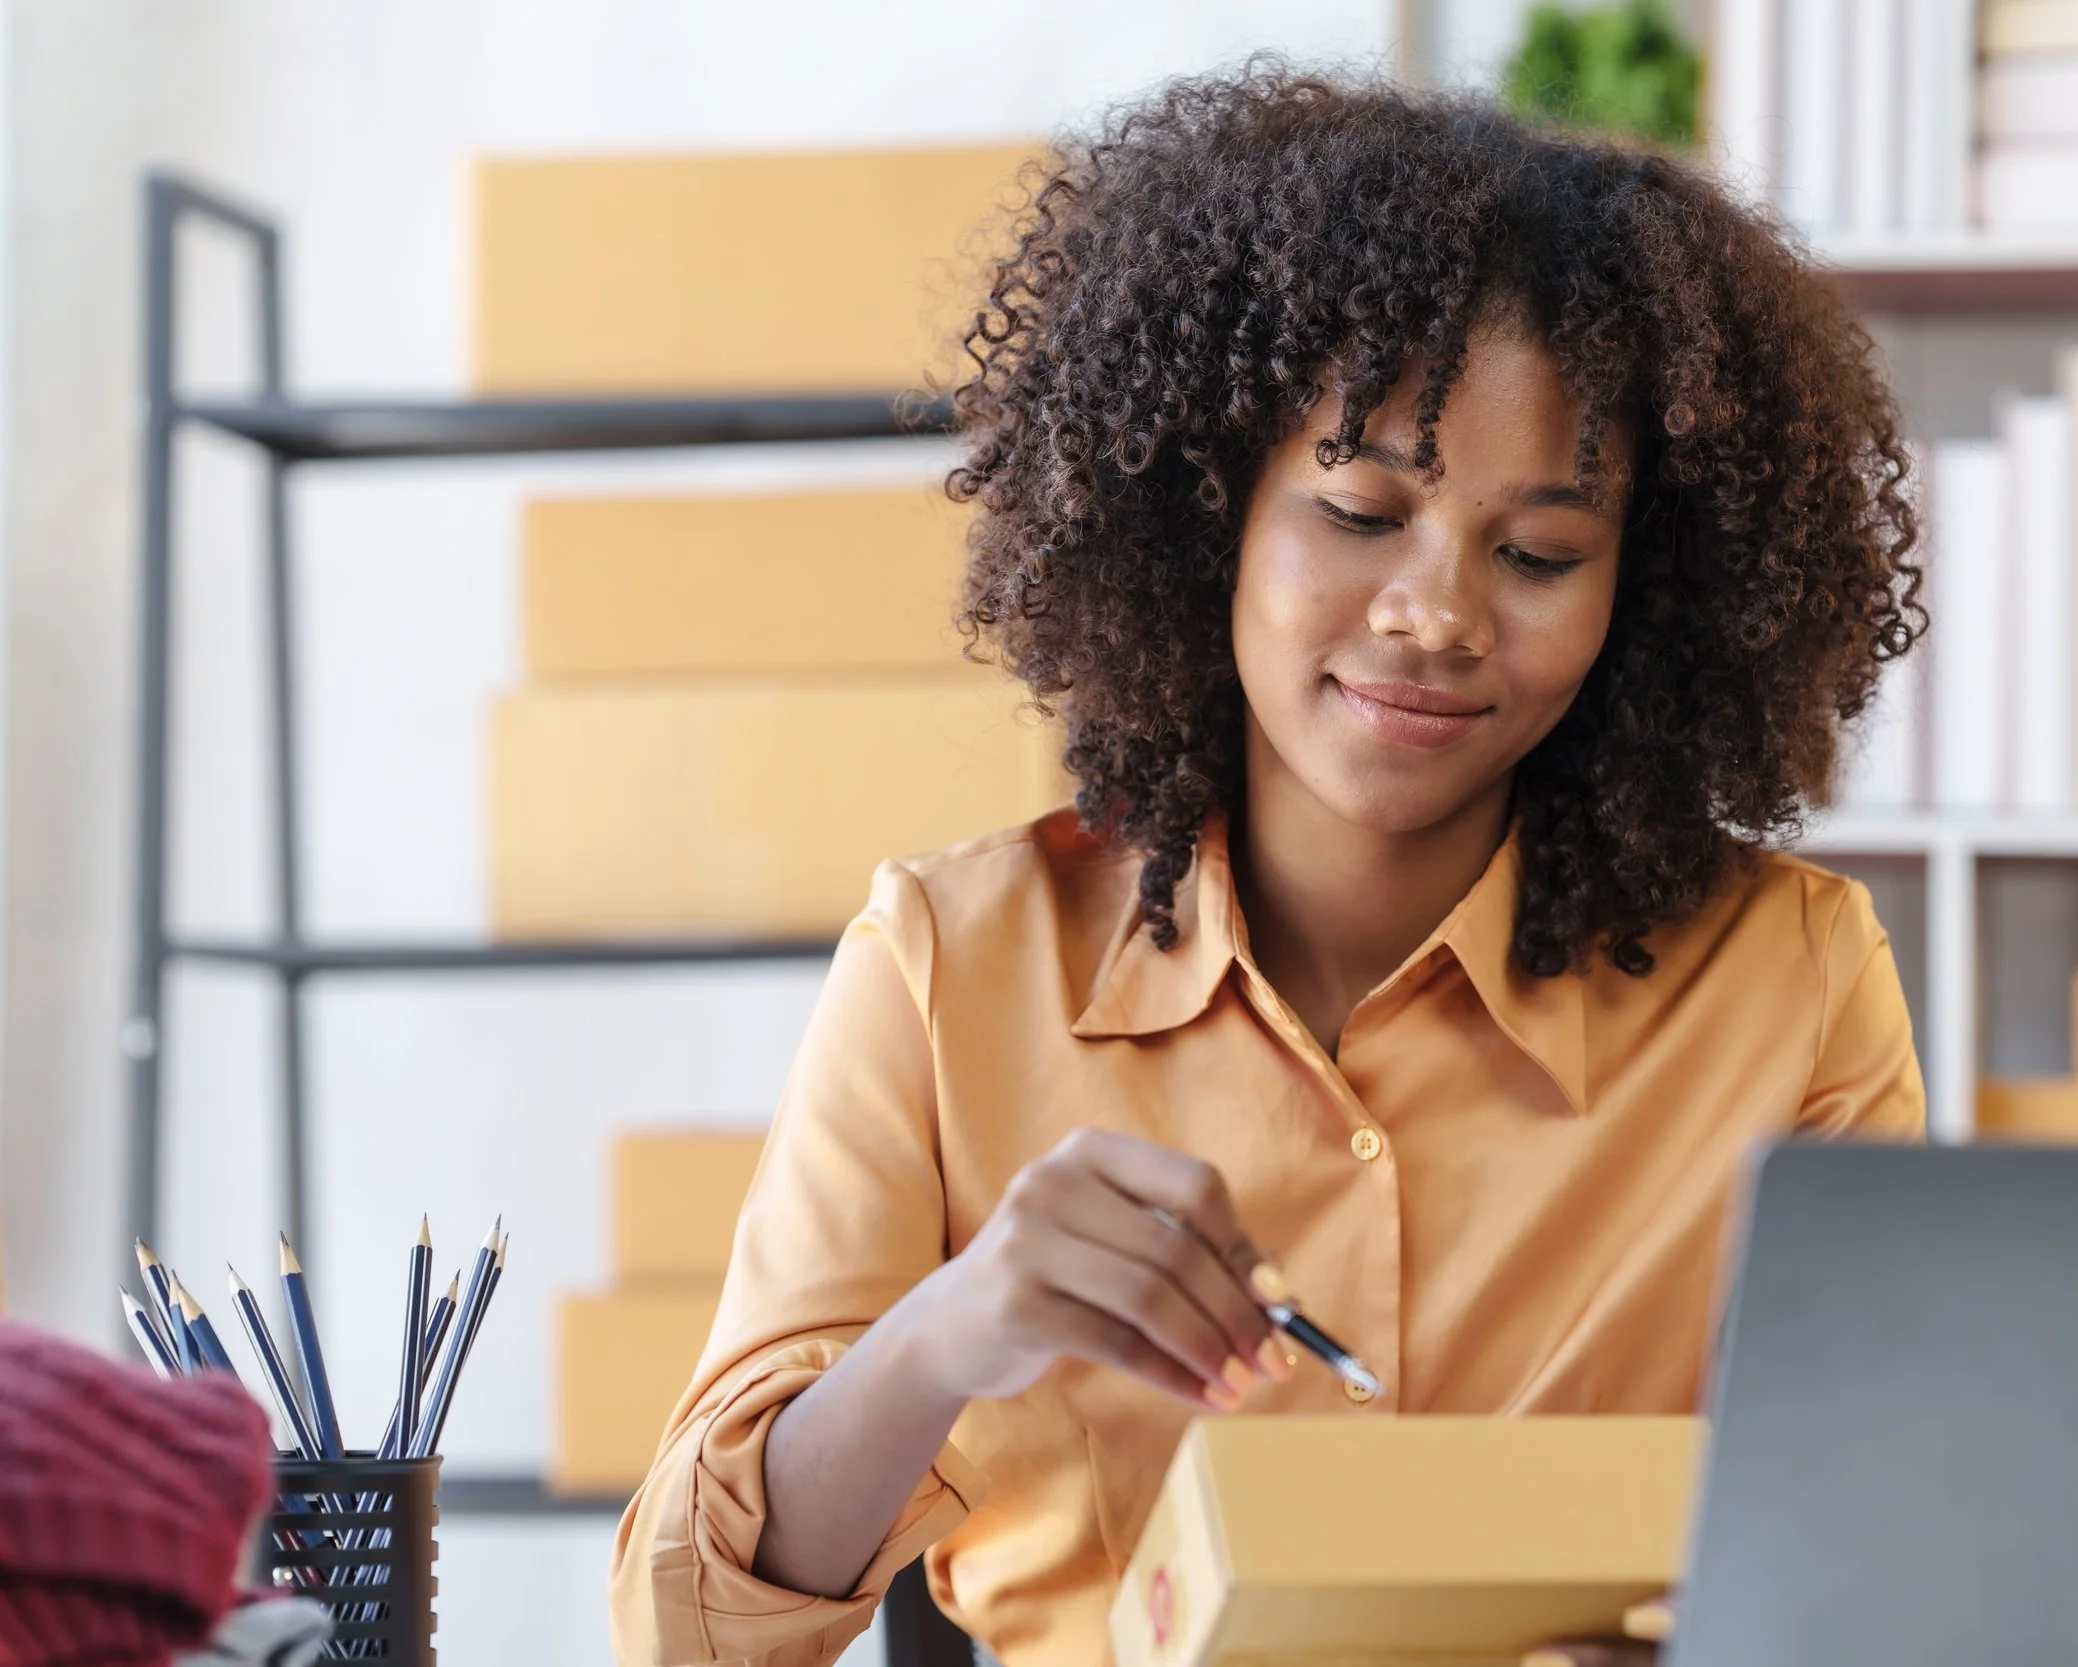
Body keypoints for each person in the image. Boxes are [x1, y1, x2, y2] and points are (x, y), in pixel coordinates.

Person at [611, 60, 1924, 1667]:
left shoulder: (1792, 986)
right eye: (1360, 511)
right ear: (1203, 506)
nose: (1435, 614)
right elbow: (689, 1635)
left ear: (1639, 595)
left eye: (1538, 553)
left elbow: (1898, 1553)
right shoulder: (950, 967)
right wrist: (949, 1329)